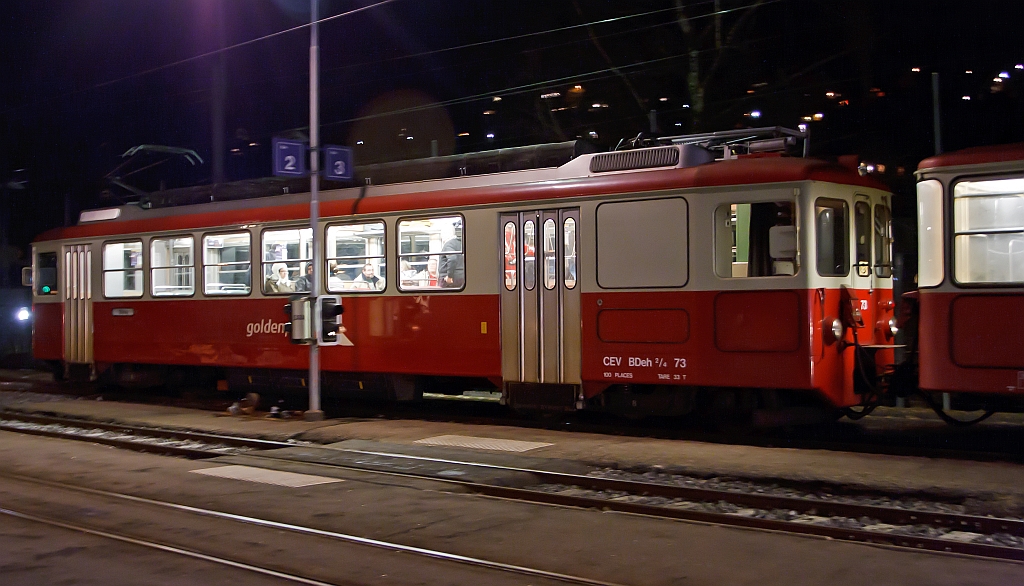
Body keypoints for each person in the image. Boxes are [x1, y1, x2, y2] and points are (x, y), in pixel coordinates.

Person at [439, 223, 464, 288]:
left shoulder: (448, 244)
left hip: (450, 280)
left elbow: (452, 258)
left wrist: (449, 276)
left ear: (446, 233)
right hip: (462, 277)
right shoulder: (460, 243)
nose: (441, 236)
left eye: (442, 233)